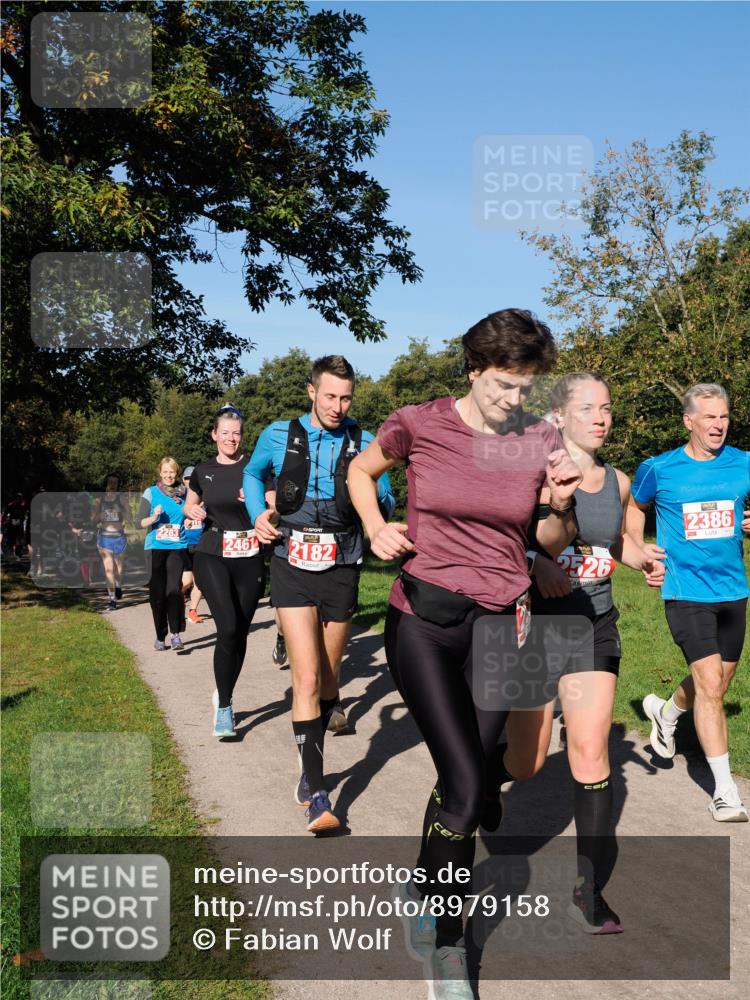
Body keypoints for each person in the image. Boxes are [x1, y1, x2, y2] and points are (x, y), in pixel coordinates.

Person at [347, 309, 582, 998]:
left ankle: (423, 887)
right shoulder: (418, 423)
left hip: (499, 622)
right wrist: (374, 526)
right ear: (475, 369)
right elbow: (362, 472)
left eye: (527, 387)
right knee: (469, 788)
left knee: (471, 782)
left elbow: (547, 538)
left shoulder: (539, 438)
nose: (517, 400)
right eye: (506, 384)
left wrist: (561, 505)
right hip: (422, 618)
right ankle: (448, 948)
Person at [497, 372, 666, 935]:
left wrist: (641, 557)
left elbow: (614, 539)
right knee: (527, 761)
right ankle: (479, 778)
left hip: (594, 623)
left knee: (591, 753)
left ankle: (588, 890)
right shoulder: (532, 473)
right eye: (589, 408)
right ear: (559, 416)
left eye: (608, 408)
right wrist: (535, 560)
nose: (601, 418)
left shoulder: (615, 481)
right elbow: (500, 540)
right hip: (532, 627)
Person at [245, 355, 395, 834]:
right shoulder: (276, 434)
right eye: (329, 395)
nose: (337, 405)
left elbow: (384, 494)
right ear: (312, 391)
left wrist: (377, 508)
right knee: (306, 679)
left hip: (343, 564)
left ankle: (319, 739)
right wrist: (257, 514)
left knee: (329, 680)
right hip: (291, 562)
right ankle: (315, 789)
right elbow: (253, 475)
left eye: (346, 397)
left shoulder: (365, 441)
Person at [627, 383, 750, 822]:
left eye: (724, 417)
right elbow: (635, 507)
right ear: (689, 421)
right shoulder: (659, 469)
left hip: (734, 591)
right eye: (709, 417)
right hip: (684, 591)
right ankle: (725, 792)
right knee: (711, 687)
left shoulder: (744, 463)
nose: (718, 425)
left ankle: (665, 712)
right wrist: (638, 549)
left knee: (718, 681)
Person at [183, 405, 265, 738]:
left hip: (249, 553)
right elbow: (189, 502)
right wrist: (192, 509)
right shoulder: (203, 470)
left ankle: (224, 690)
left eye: (237, 433)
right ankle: (225, 708)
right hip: (212, 551)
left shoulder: (255, 468)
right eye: (225, 433)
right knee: (227, 625)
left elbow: (273, 508)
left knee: (239, 632)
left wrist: (258, 503)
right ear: (215, 435)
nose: (231, 438)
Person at [138, 457, 188, 652]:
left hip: (177, 546)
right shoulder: (150, 493)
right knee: (158, 595)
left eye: (172, 472)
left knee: (174, 590)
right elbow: (139, 522)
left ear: (177, 473)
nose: (169, 475)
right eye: (165, 471)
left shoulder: (185, 493)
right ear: (160, 472)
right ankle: (160, 635)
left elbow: (195, 510)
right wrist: (154, 516)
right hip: (155, 548)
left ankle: (175, 634)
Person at [91, 474, 130, 609]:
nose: (113, 484)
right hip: (104, 538)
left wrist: (121, 512)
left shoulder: (122, 498)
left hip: (119, 537)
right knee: (109, 569)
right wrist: (99, 516)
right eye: (110, 482)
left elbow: (130, 517)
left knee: (119, 570)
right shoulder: (99, 500)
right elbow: (93, 519)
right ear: (106, 483)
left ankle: (118, 584)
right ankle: (112, 600)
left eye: (115, 482)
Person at [180, 466, 205, 624]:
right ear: (183, 480)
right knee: (187, 581)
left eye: (192, 479)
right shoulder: (179, 499)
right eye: (187, 478)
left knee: (200, 581)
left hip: (201, 544)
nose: (190, 481)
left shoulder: (206, 497)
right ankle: (178, 599)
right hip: (184, 544)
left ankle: (192, 611)